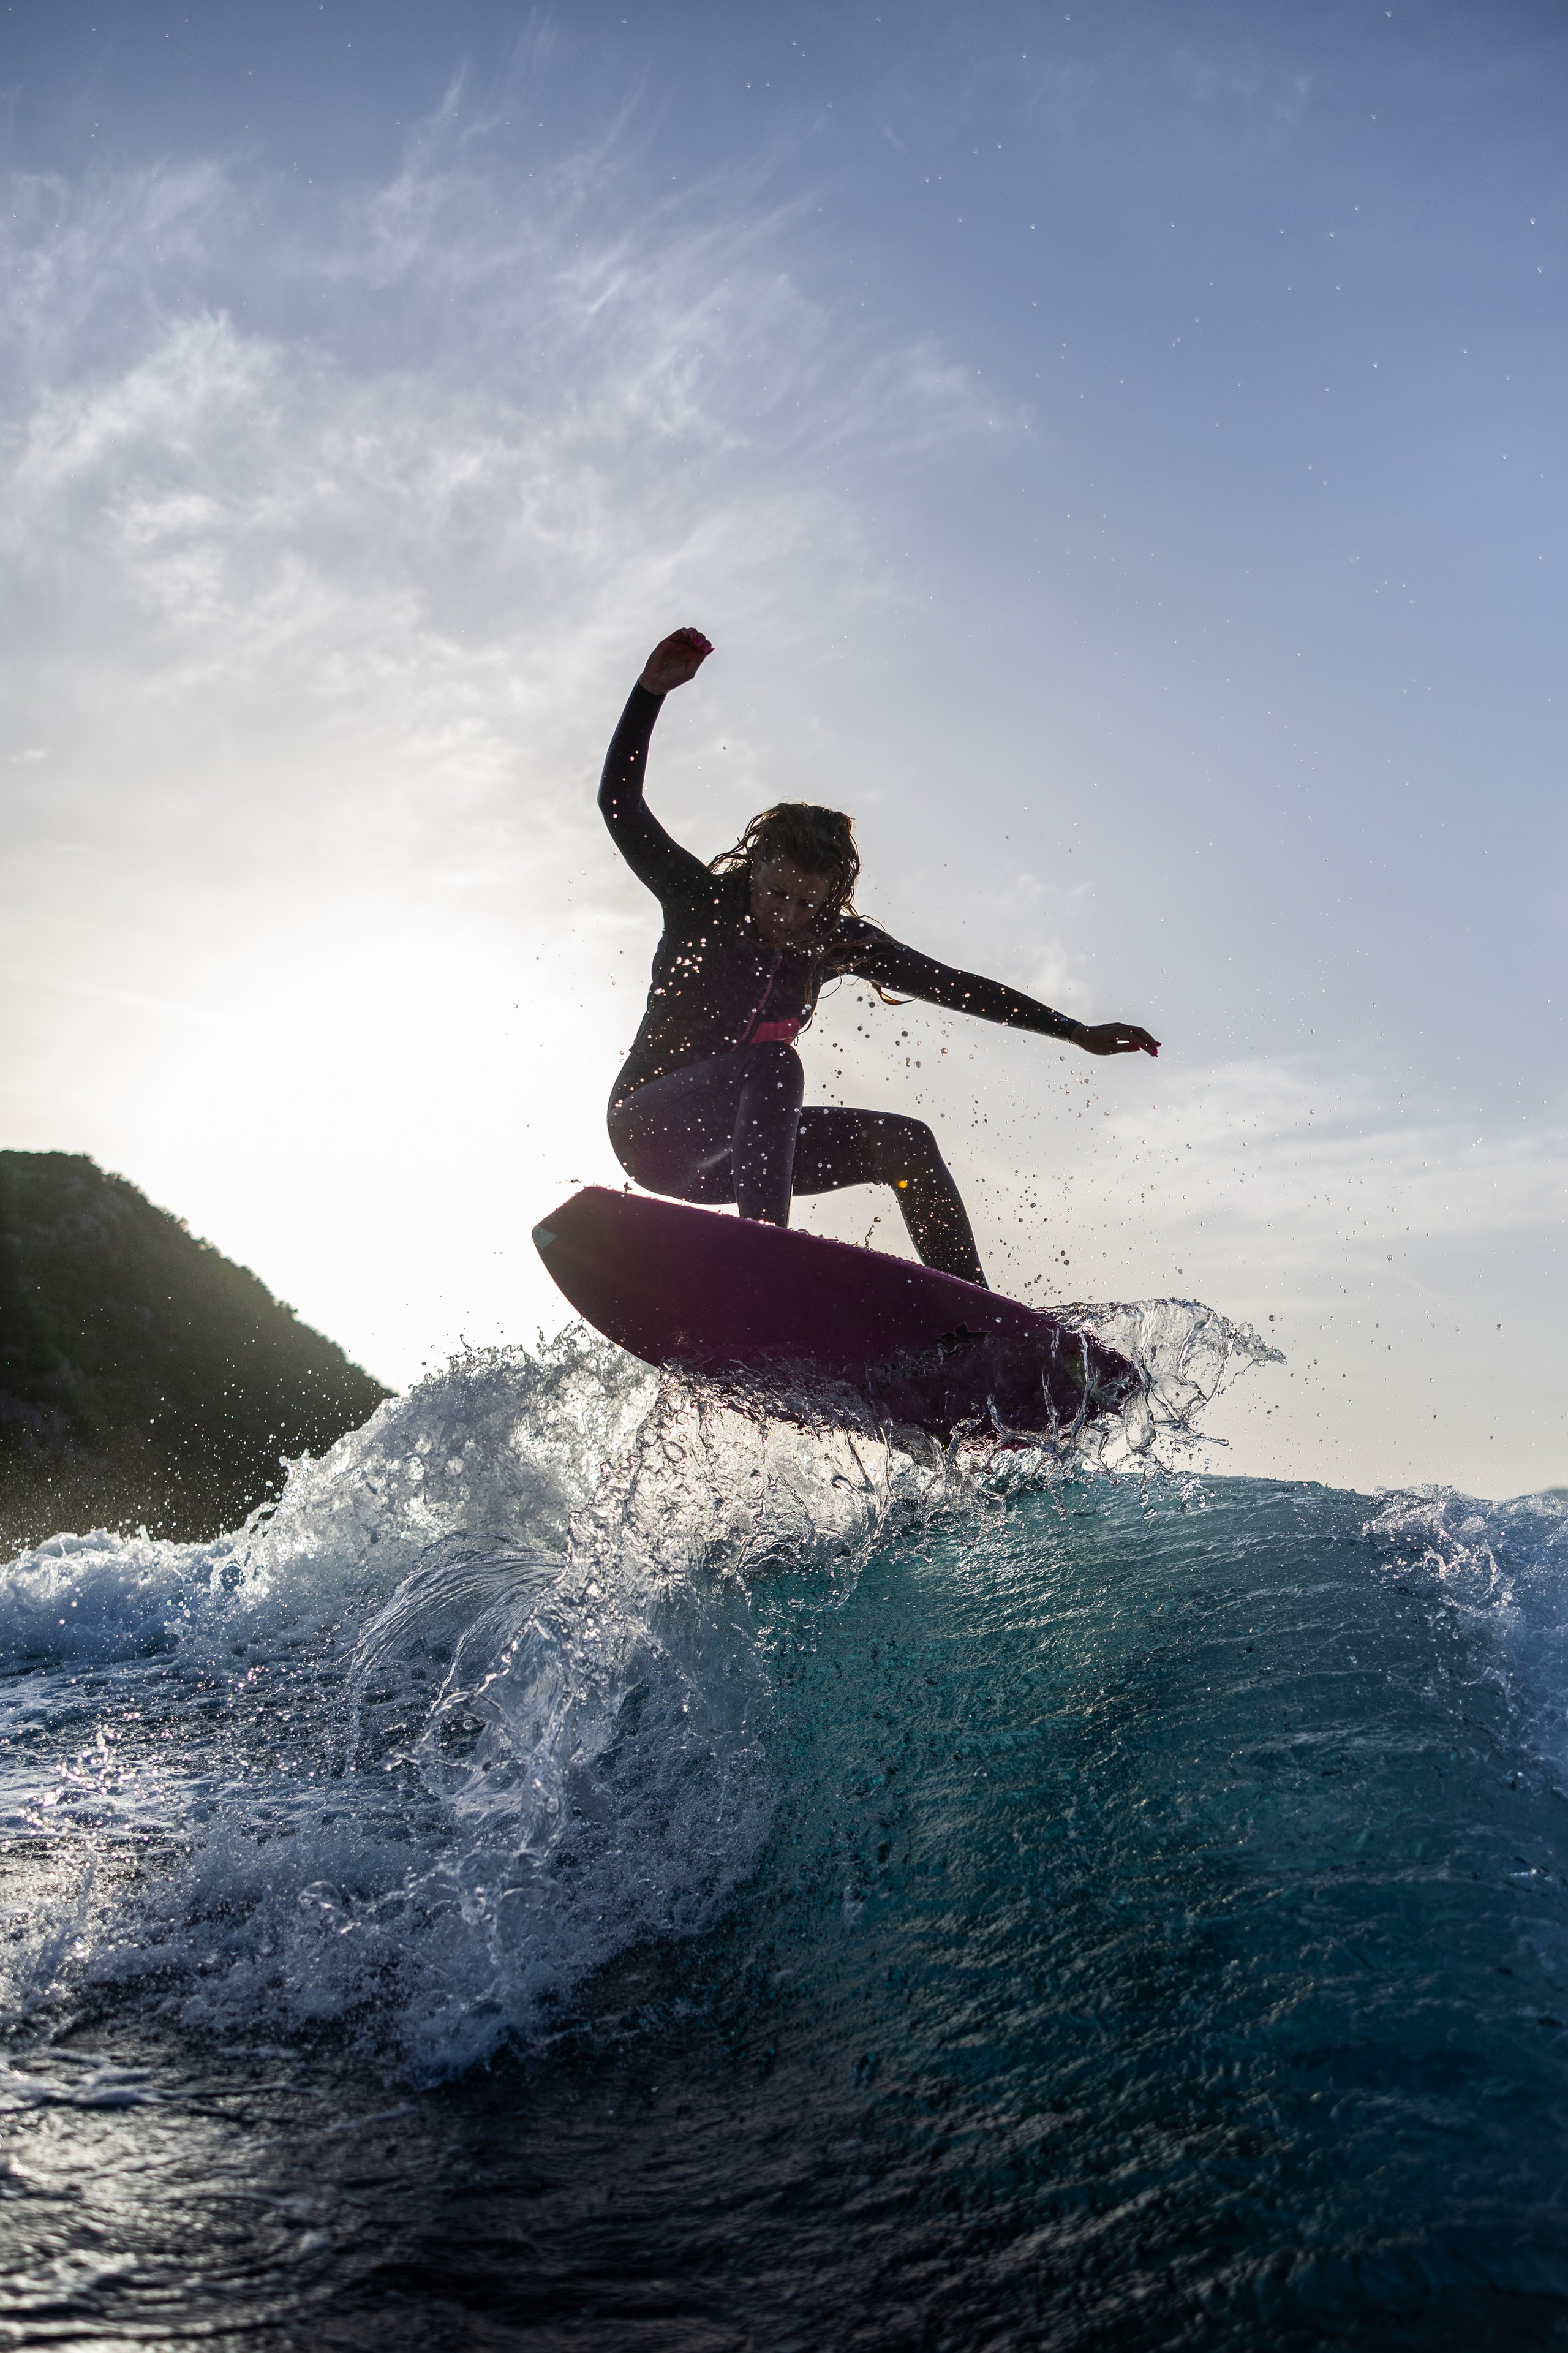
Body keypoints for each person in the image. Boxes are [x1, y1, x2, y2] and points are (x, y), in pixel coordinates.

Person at [600, 627, 1159, 1291]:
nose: (787, 914)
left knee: (908, 1144)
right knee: (774, 1064)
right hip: (652, 1129)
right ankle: (763, 1256)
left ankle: (973, 1321)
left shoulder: (834, 942)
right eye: (776, 893)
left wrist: (1071, 1031)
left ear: (830, 898)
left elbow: (952, 986)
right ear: (754, 870)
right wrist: (648, 695)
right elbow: (620, 804)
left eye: (808, 903)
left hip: (737, 1157)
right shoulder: (701, 903)